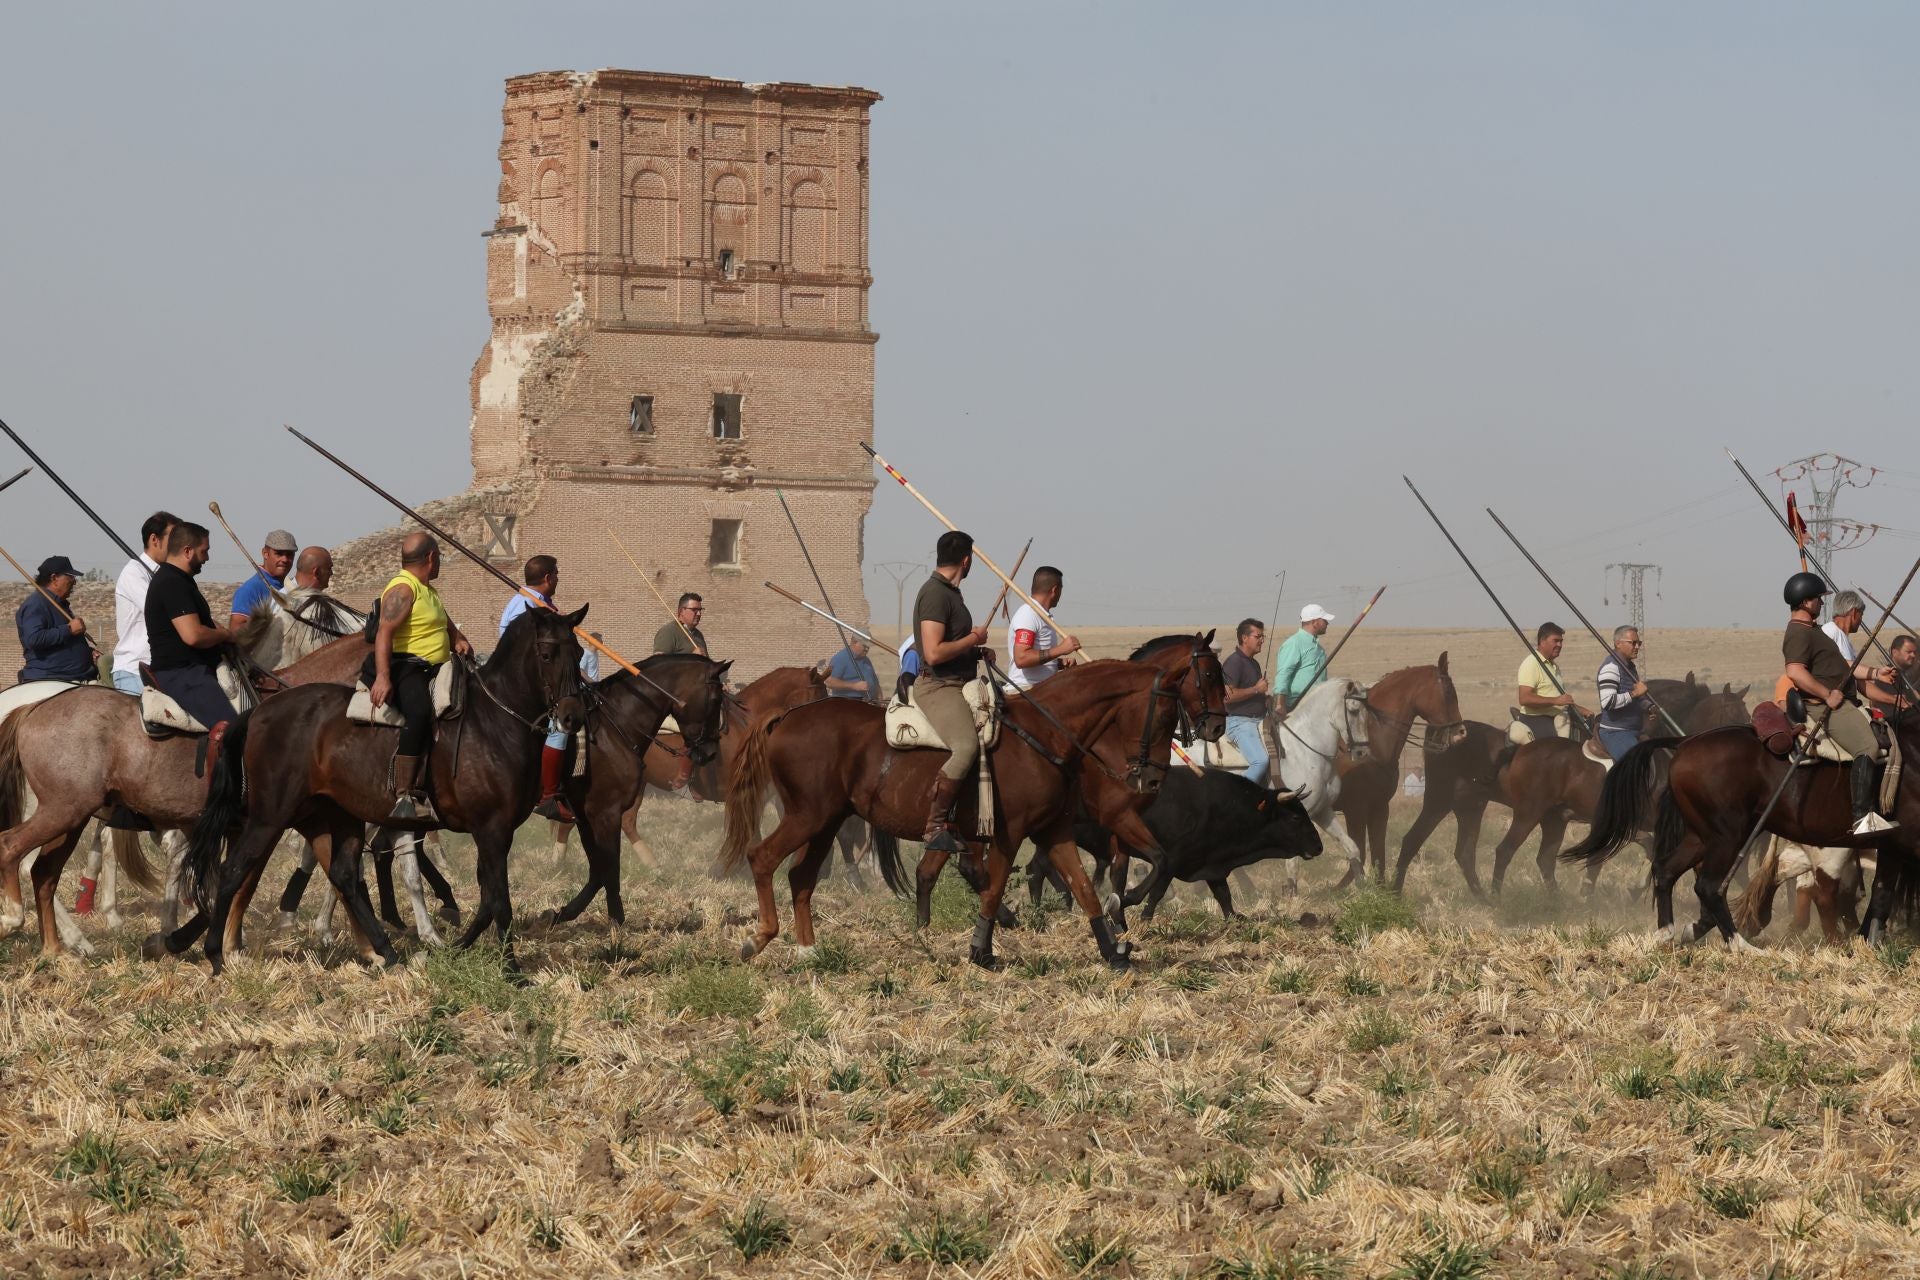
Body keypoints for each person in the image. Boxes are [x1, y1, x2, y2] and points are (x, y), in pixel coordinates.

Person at [366, 532, 473, 822]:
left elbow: (441, 620)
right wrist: (383, 677)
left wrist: (456, 637)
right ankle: (405, 794)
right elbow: (384, 632)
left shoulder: (429, 591)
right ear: (431, 558)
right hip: (406, 666)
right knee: (419, 709)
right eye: (438, 559)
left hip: (437, 667)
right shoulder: (403, 589)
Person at [1782, 571, 1896, 834]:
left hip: (1834, 700)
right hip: (1823, 705)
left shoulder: (1813, 630)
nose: (1822, 604)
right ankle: (1861, 817)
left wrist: (1876, 673)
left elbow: (1844, 666)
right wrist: (1826, 694)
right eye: (1819, 599)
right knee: (1867, 745)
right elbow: (1795, 671)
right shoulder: (1799, 633)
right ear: (1806, 601)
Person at [910, 530, 993, 854]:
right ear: (966, 560)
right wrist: (974, 639)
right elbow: (932, 652)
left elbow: (950, 647)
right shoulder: (935, 594)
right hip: (938, 686)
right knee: (965, 745)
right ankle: (934, 826)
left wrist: (975, 654)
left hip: (960, 680)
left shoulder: (951, 593)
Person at [144, 522, 239, 760]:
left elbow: (204, 622)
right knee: (235, 733)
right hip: (183, 674)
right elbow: (193, 635)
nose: (207, 557)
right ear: (188, 551)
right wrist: (226, 635)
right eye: (204, 550)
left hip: (193, 670)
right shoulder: (171, 583)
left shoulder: (181, 580)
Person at [497, 554, 577, 820]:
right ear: (547, 577)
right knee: (560, 728)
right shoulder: (525, 606)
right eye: (556, 574)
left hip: (539, 679)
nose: (558, 579)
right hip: (524, 686)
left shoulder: (539, 603)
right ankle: (549, 795)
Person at [111, 511, 177, 696]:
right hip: (135, 670)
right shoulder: (134, 573)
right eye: (174, 538)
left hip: (161, 670)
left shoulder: (168, 574)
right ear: (155, 539)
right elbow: (164, 612)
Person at [15, 555, 96, 684]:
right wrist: (69, 629)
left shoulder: (59, 604)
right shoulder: (36, 603)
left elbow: (63, 643)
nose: (74, 582)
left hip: (75, 676)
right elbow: (34, 638)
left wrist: (89, 652)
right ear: (54, 578)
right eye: (70, 576)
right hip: (53, 678)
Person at [1006, 565, 1080, 692]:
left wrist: (1058, 663)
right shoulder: (1028, 614)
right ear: (1055, 590)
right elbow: (1022, 658)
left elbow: (1035, 658)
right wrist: (1061, 649)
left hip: (1042, 689)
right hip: (1026, 691)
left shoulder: (1041, 615)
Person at [1516, 623, 1590, 740]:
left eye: (1561, 641)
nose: (1559, 645)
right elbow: (1524, 698)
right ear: (1542, 641)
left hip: (1557, 717)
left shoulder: (1553, 666)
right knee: (1558, 751)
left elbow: (1561, 700)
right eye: (1555, 641)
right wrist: (1555, 700)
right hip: (1537, 719)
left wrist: (1581, 710)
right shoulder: (1531, 663)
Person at [1220, 618, 1271, 784]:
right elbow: (1227, 696)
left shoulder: (1252, 663)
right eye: (1258, 636)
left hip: (1258, 720)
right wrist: (1257, 689)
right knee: (1260, 761)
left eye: (1263, 636)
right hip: (1239, 722)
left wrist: (1265, 698)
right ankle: (1239, 799)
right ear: (1244, 638)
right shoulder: (1234, 662)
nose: (1262, 640)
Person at [1594, 626, 1651, 761]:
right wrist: (1634, 694)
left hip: (1633, 731)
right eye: (1633, 643)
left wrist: (1649, 707)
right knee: (1635, 765)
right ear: (1618, 643)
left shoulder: (1630, 667)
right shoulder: (1611, 668)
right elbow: (1608, 702)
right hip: (1615, 732)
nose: (1637, 647)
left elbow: (1636, 699)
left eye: (1639, 643)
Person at [228, 529, 297, 628]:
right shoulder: (251, 589)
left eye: (289, 554)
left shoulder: (290, 587)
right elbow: (236, 630)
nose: (285, 559)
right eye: (279, 553)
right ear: (265, 553)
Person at [1273, 604, 1334, 712]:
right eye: (1324, 620)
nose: (1327, 623)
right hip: (1298, 709)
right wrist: (1280, 704)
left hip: (1318, 706)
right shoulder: (1294, 643)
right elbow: (1284, 673)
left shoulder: (1319, 648)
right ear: (1315, 622)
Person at [822, 637, 881, 702]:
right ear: (855, 643)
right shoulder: (840, 658)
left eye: (868, 646)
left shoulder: (866, 660)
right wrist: (854, 686)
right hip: (848, 704)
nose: (867, 649)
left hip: (871, 702)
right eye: (864, 646)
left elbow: (875, 681)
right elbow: (829, 682)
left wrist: (880, 699)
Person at [1872, 635, 1919, 710]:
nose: (1913, 655)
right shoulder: (1888, 675)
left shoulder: (1909, 674)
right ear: (1895, 652)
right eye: (1909, 652)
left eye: (1914, 652)